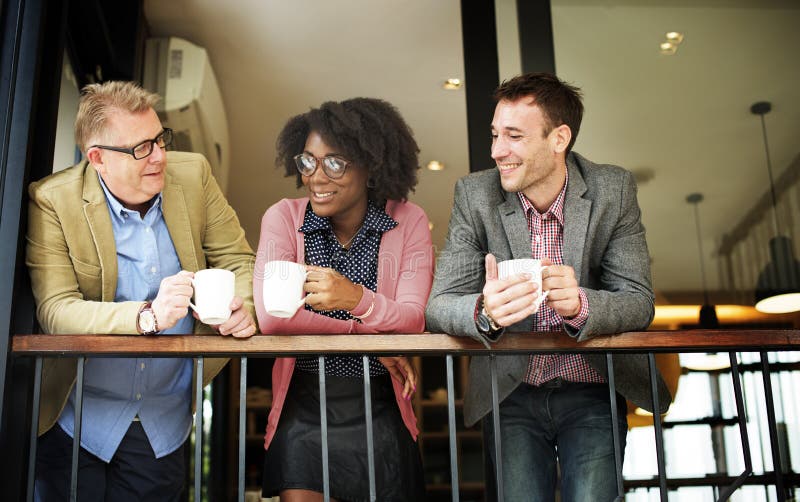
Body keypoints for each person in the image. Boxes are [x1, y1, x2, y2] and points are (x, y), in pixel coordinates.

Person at [425, 72, 671, 502]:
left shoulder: (612, 189)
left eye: (514, 136)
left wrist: (582, 306)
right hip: (511, 394)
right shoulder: (474, 195)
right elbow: (439, 306)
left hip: (593, 389)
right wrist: (484, 311)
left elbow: (638, 301)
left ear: (559, 138)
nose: (496, 151)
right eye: (495, 135)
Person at [26, 81, 257, 501]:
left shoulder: (194, 175)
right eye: (141, 149)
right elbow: (57, 310)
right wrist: (145, 316)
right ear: (97, 158)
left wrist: (247, 308)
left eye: (159, 139)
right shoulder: (52, 200)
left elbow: (240, 263)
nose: (160, 157)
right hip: (77, 418)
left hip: (162, 423)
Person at [254, 97, 433, 502]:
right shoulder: (283, 218)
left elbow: (412, 318)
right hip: (304, 404)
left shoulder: (408, 221)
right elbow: (273, 317)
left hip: (380, 404)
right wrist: (364, 331)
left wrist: (356, 297)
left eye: (334, 163)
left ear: (372, 167)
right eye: (307, 162)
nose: (316, 177)